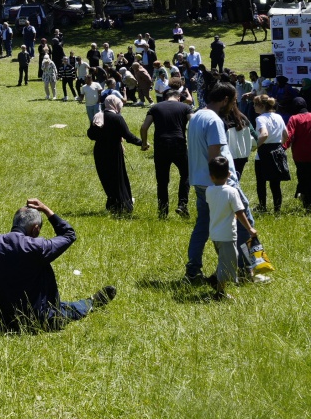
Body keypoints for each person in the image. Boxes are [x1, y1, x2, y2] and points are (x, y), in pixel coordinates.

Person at [0, 199, 116, 331]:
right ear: (36, 229)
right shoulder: (38, 247)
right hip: (31, 320)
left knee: (61, 306)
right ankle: (91, 303)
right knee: (61, 311)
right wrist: (46, 210)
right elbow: (69, 234)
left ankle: (89, 302)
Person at [183, 85, 236, 283]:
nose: (232, 107)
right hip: (213, 182)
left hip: (199, 180)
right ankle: (230, 270)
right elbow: (215, 156)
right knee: (226, 227)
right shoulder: (214, 120)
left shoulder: (197, 115)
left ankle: (193, 269)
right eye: (232, 102)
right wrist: (223, 182)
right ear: (224, 100)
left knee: (203, 225)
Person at [202, 156, 256, 300]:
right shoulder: (232, 192)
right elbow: (240, 212)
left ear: (211, 176)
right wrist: (249, 229)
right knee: (227, 265)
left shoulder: (208, 191)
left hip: (215, 234)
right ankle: (219, 293)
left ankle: (217, 282)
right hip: (227, 235)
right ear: (229, 174)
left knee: (224, 260)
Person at [140, 89, 192, 219]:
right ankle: (182, 205)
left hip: (161, 145)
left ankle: (162, 212)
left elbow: (144, 127)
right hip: (179, 144)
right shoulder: (185, 107)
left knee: (162, 180)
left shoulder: (155, 108)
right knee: (186, 174)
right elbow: (194, 123)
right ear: (178, 97)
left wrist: (144, 143)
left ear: (164, 97)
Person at [87, 93, 143, 215]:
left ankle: (112, 203)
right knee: (118, 177)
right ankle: (122, 204)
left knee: (106, 177)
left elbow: (90, 135)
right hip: (113, 151)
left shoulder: (98, 116)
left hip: (100, 150)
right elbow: (128, 136)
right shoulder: (117, 118)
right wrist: (142, 143)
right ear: (115, 104)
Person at [282, 97, 311, 211]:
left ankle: (306, 203)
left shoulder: (294, 118)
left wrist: (283, 147)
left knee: (303, 178)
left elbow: (289, 135)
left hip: (300, 155)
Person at [251, 94, 288, 214]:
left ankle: (262, 206)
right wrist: (279, 145)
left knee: (261, 182)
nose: (253, 106)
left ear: (261, 106)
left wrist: (255, 146)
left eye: (255, 104)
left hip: (263, 153)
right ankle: (277, 209)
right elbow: (286, 135)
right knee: (275, 183)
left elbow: (264, 134)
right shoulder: (278, 116)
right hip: (277, 152)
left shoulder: (260, 118)